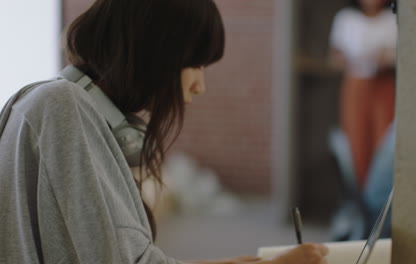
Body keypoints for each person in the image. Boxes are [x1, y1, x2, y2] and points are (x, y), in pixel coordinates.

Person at [0, 0, 329, 263]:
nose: (200, 86)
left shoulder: (67, 107)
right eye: (196, 65)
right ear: (156, 52)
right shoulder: (61, 105)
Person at [327, 0, 397, 241]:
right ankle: (363, 214)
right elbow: (334, 55)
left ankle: (379, 214)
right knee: (357, 149)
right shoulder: (346, 18)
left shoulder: (391, 19)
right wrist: (346, 59)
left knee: (384, 149)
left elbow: (398, 53)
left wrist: (385, 57)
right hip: (356, 85)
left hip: (383, 84)